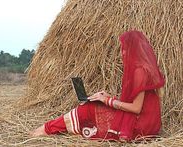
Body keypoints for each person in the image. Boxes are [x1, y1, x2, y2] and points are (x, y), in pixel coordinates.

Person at [30, 30, 165, 141]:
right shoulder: (140, 69)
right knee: (90, 106)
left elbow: (136, 108)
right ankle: (50, 128)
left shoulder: (139, 71)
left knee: (88, 109)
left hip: (141, 123)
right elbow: (135, 101)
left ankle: (48, 129)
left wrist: (108, 101)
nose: (122, 52)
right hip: (141, 119)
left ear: (132, 49)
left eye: (124, 48)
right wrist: (108, 97)